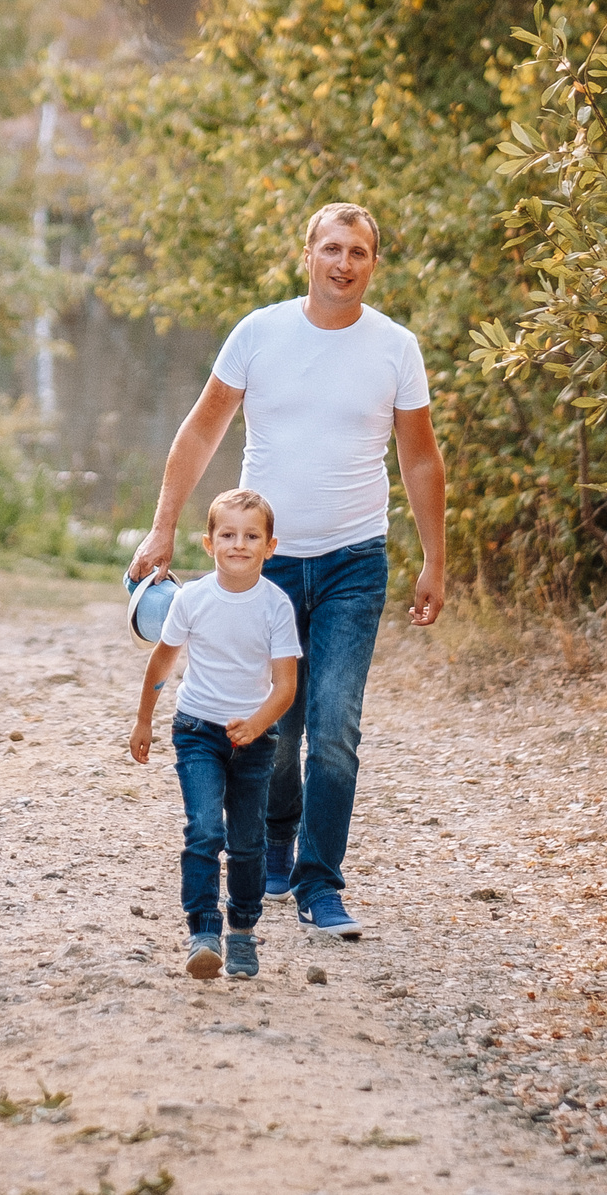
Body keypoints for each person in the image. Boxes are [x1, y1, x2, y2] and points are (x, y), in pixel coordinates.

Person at [124, 202, 447, 942]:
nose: (344, 262)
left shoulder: (395, 347)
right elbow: (203, 426)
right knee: (273, 720)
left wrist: (434, 558)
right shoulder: (259, 333)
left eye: (359, 251)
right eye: (332, 248)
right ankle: (274, 834)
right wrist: (165, 523)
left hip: (354, 562)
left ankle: (319, 880)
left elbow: (420, 456)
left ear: (373, 262)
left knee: (334, 724)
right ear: (307, 254)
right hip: (263, 568)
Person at [128, 488, 301, 979]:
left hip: (254, 740)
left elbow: (286, 686)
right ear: (208, 544)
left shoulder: (276, 606)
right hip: (198, 730)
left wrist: (258, 724)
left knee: (248, 843)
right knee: (205, 829)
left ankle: (242, 931)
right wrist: (144, 719)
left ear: (270, 546)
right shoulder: (193, 598)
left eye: (251, 536)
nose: (239, 544)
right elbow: (162, 660)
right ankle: (203, 931)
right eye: (228, 534)